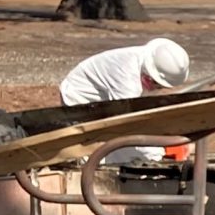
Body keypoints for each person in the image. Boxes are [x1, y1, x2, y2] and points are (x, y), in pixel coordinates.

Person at [58, 37, 190, 162]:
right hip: (81, 99)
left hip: (106, 100)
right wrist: (158, 154)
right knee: (99, 149)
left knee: (123, 150)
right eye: (157, 84)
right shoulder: (126, 77)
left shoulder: (145, 64)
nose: (158, 89)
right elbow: (129, 123)